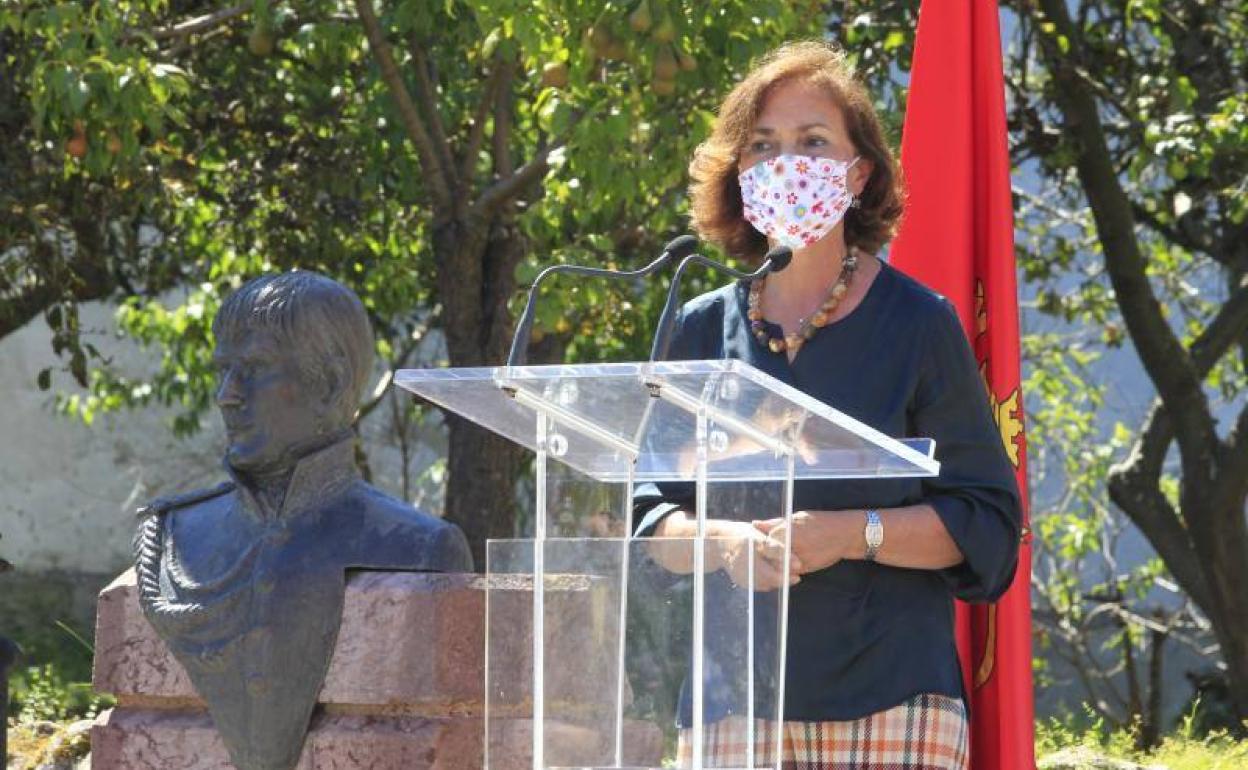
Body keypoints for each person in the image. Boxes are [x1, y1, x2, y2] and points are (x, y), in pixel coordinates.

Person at [632, 41, 1022, 769]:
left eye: (813, 142)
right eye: (764, 146)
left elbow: (989, 523)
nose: (787, 163)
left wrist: (852, 533)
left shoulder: (919, 324)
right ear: (739, 174)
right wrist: (720, 542)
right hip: (729, 707)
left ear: (859, 171)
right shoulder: (696, 329)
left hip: (892, 701)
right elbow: (649, 514)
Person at [133, 271, 472, 770]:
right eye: (224, 370)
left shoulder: (419, 549)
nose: (227, 394)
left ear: (330, 383)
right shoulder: (173, 538)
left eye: (255, 367)